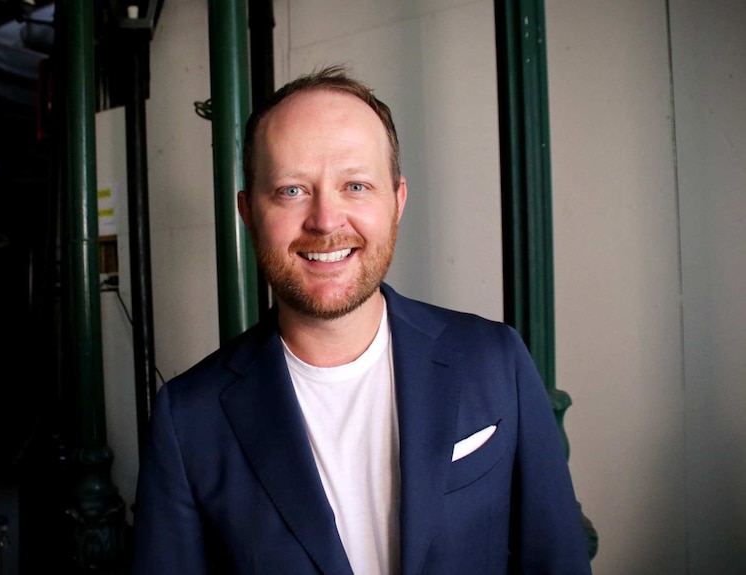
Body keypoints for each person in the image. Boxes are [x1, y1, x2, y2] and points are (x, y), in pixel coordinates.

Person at [133, 66, 591, 575]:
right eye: (290, 190)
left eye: (355, 185)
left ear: (396, 202)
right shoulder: (187, 419)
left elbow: (557, 559)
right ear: (248, 213)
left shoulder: (494, 359)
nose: (326, 220)